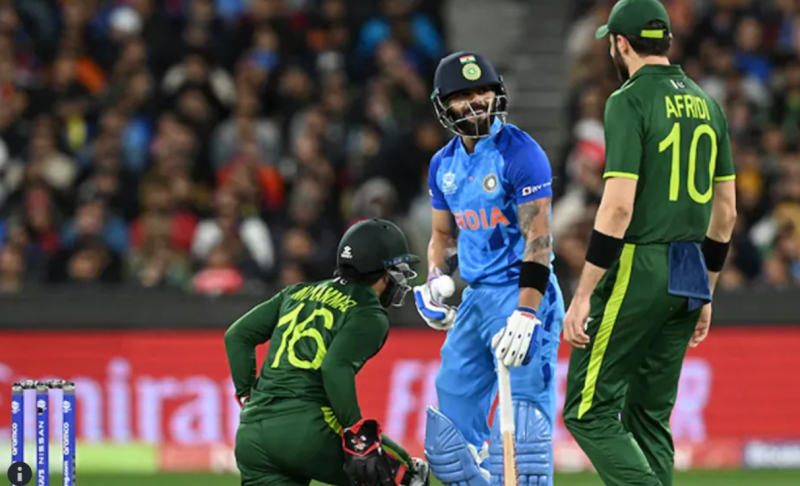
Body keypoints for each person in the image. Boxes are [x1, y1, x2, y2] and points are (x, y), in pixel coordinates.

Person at [561, 1, 738, 485]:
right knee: (649, 416)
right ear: (666, 41)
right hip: (690, 271)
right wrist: (706, 289)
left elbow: (618, 208)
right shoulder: (708, 104)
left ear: (620, 43)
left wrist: (583, 292)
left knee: (587, 411)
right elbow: (725, 213)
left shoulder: (628, 100)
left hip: (642, 264)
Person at [414, 51, 565, 486]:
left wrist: (527, 313)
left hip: (524, 293)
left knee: (525, 434)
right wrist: (434, 278)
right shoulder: (443, 165)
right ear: (444, 105)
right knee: (450, 437)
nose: (476, 102)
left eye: (483, 91)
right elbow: (442, 235)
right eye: (463, 95)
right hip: (476, 299)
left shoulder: (522, 154)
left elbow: (539, 242)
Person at [225, 218, 430, 486]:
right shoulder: (369, 313)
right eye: (398, 270)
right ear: (383, 271)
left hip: (252, 433)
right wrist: (355, 430)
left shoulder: (297, 292)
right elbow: (334, 367)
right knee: (408, 476)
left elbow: (237, 335)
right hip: (307, 429)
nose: (400, 279)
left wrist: (246, 395)